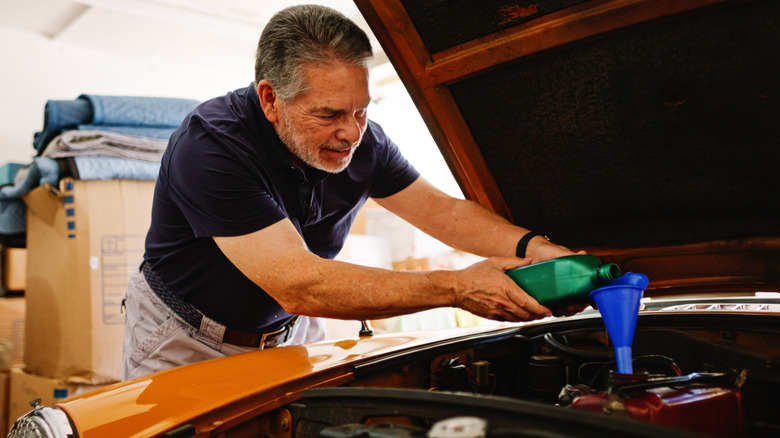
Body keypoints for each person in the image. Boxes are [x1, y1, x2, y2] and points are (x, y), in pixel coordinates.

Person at [122, 4, 581, 380]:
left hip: (291, 331)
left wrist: (535, 248)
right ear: (269, 100)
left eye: (361, 110)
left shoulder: (368, 141)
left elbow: (442, 213)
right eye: (329, 115)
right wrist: (459, 287)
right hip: (185, 337)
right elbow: (298, 285)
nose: (351, 133)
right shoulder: (210, 146)